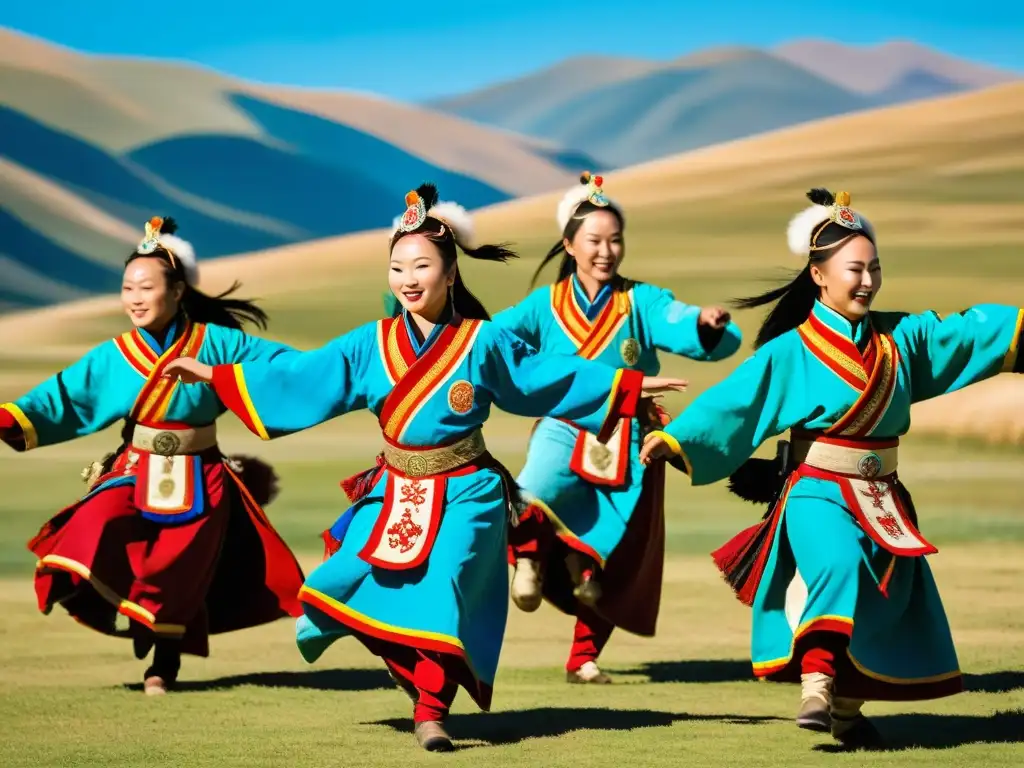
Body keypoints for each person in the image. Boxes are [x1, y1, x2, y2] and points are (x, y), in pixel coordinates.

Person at [165, 183, 687, 752]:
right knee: (342, 585)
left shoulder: (482, 342)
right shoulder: (372, 343)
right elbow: (305, 378)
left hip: (469, 491)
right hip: (395, 488)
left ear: (451, 273)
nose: (409, 278)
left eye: (422, 265)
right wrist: (217, 377)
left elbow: (545, 374)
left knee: (447, 590)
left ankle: (431, 712)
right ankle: (402, 670)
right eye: (397, 267)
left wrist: (628, 385)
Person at [640, 188, 1024, 748]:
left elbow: (965, 334)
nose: (866, 280)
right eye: (854, 269)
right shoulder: (791, 351)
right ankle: (816, 684)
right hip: (817, 490)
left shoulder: (903, 339)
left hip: (885, 496)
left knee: (882, 603)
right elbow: (736, 402)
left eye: (874, 268)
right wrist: (675, 441)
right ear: (819, 276)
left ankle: (845, 709)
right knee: (837, 565)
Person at [0, 217, 306, 695]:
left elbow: (289, 370)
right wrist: (10, 419)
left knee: (180, 570)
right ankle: (73, 585)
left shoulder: (220, 344)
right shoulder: (115, 354)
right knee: (97, 518)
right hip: (133, 468)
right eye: (127, 287)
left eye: (146, 287)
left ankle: (162, 665)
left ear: (179, 290)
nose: (135, 298)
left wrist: (215, 375)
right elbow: (64, 396)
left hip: (202, 476)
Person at [493, 172, 742, 683]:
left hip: (631, 440)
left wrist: (705, 325)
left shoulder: (642, 302)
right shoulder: (544, 305)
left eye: (615, 240)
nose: (606, 251)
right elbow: (494, 339)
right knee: (531, 491)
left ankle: (583, 656)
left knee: (618, 552)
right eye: (595, 241)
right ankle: (530, 562)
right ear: (569, 244)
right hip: (564, 426)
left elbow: (681, 320)